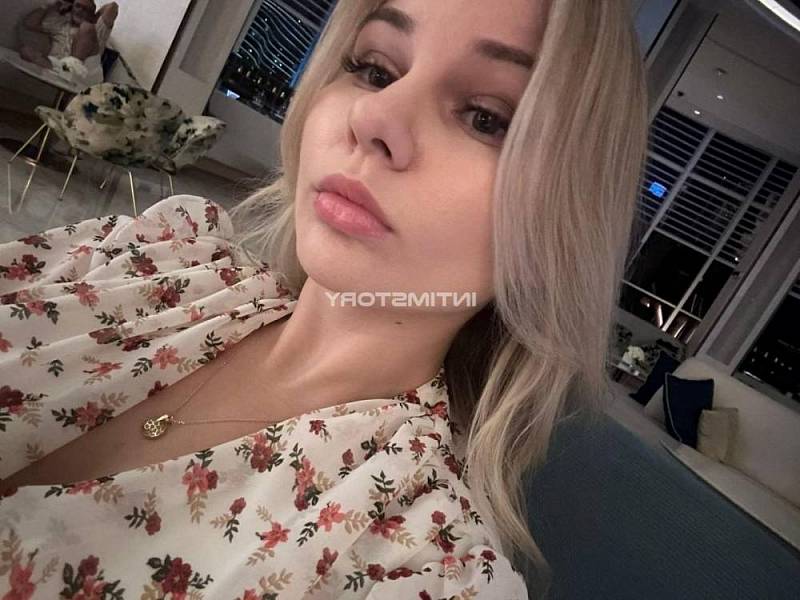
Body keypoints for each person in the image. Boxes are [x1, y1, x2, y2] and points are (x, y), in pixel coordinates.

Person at [0, 0, 648, 597]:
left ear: (564, 221)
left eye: (487, 118)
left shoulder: (423, 567)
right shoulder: (156, 251)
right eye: (374, 69)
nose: (374, 117)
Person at [18, 0, 118, 68]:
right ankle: (62, 71)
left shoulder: (96, 30)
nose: (80, 11)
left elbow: (112, 7)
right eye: (78, 6)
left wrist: (93, 18)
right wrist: (52, 5)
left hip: (81, 73)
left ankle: (71, 68)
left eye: (85, 9)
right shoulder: (60, 24)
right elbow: (29, 23)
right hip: (54, 66)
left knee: (86, 27)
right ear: (71, 8)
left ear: (92, 15)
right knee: (25, 50)